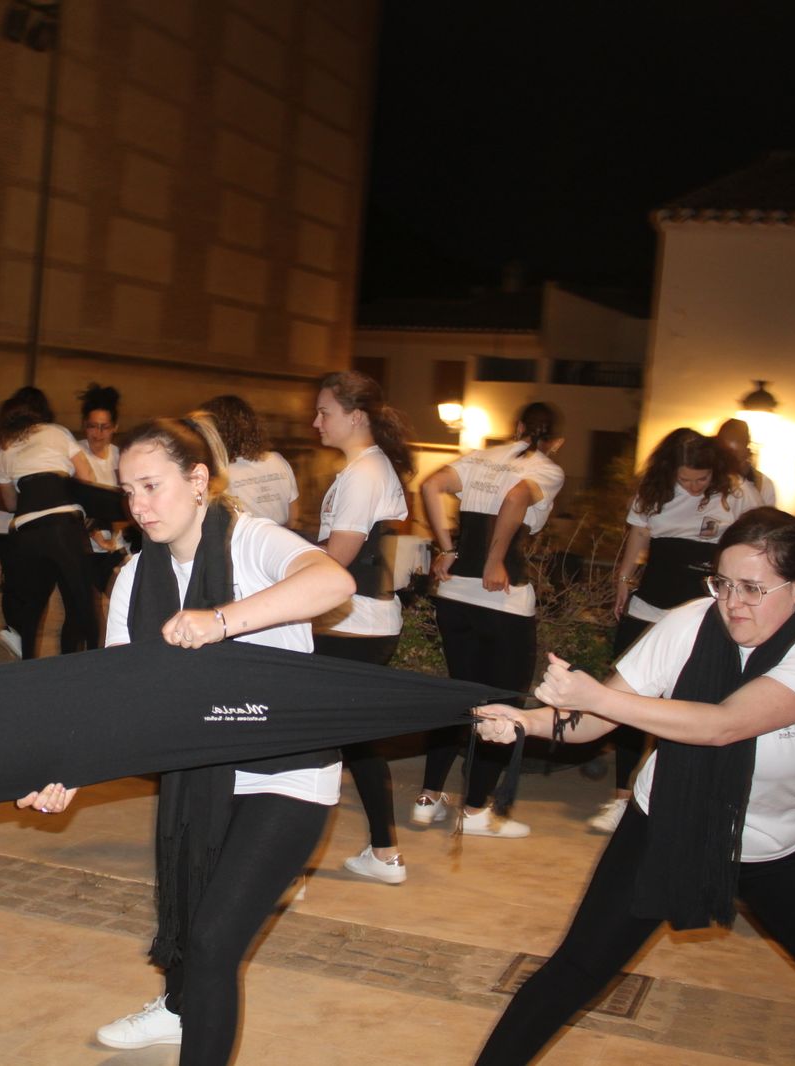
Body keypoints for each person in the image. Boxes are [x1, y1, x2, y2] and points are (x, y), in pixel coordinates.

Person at [472, 508, 795, 1065]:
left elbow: (724, 726)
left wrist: (600, 698)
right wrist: (524, 721)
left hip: (780, 844)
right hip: (667, 823)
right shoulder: (689, 622)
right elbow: (591, 724)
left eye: (753, 587)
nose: (732, 603)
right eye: (722, 583)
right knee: (576, 969)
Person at [18, 415, 356, 1064]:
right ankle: (179, 1008)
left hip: (284, 774)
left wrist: (222, 621)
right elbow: (120, 701)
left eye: (153, 486)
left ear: (199, 480)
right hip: (201, 774)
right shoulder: (133, 580)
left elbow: (333, 583)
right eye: (128, 492)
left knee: (212, 941)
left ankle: (185, 1009)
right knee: (200, 940)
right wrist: (72, 772)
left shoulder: (252, 542)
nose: (139, 507)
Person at [415, 402, 566, 837]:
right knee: (502, 702)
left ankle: (428, 797)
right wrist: (495, 560)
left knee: (460, 694)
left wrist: (447, 548)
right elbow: (518, 496)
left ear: (517, 427)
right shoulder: (546, 468)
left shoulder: (480, 457)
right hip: (502, 601)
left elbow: (430, 486)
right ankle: (476, 810)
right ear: (556, 441)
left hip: (455, 597)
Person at [595, 428, 755, 832]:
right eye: (686, 478)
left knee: (694, 704)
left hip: (705, 613)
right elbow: (638, 537)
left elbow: (753, 545)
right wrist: (623, 582)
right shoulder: (653, 491)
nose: (694, 485)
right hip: (650, 606)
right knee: (629, 701)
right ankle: (621, 798)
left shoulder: (734, 493)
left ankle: (688, 796)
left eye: (701, 479)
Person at [309, 372, 415, 883]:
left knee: (315, 742)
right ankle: (385, 851)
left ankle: (290, 862)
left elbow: (337, 561)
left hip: (352, 625)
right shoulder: (365, 470)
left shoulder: (364, 474)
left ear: (356, 416)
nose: (315, 421)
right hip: (362, 623)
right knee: (355, 740)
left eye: (324, 411)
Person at [0, 386, 100, 658]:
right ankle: (93, 664)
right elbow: (86, 478)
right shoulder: (57, 432)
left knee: (32, 606)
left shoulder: (6, 446)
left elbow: (10, 502)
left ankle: (30, 666)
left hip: (25, 530)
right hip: (63, 525)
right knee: (83, 601)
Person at [0, 389, 34, 659]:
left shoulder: (1, 450)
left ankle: (16, 631)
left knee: (16, 581)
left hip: (7, 527)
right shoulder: (2, 452)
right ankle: (16, 631)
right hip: (7, 527)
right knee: (17, 581)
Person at [199, 394, 299, 528]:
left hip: (246, 546)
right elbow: (293, 519)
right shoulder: (278, 460)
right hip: (283, 542)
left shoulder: (221, 473)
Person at [77, 381, 128, 592]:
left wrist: (118, 534)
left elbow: (128, 499)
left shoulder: (119, 456)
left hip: (115, 545)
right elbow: (76, 501)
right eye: (92, 426)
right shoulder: (76, 454)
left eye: (104, 427)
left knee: (120, 597)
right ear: (84, 425)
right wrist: (95, 534)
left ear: (115, 427)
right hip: (84, 544)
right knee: (87, 607)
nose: (98, 433)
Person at [717, 418, 778, 507]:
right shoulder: (703, 479)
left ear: (746, 450)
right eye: (725, 453)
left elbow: (766, 519)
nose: (729, 459)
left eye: (735, 454)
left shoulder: (763, 484)